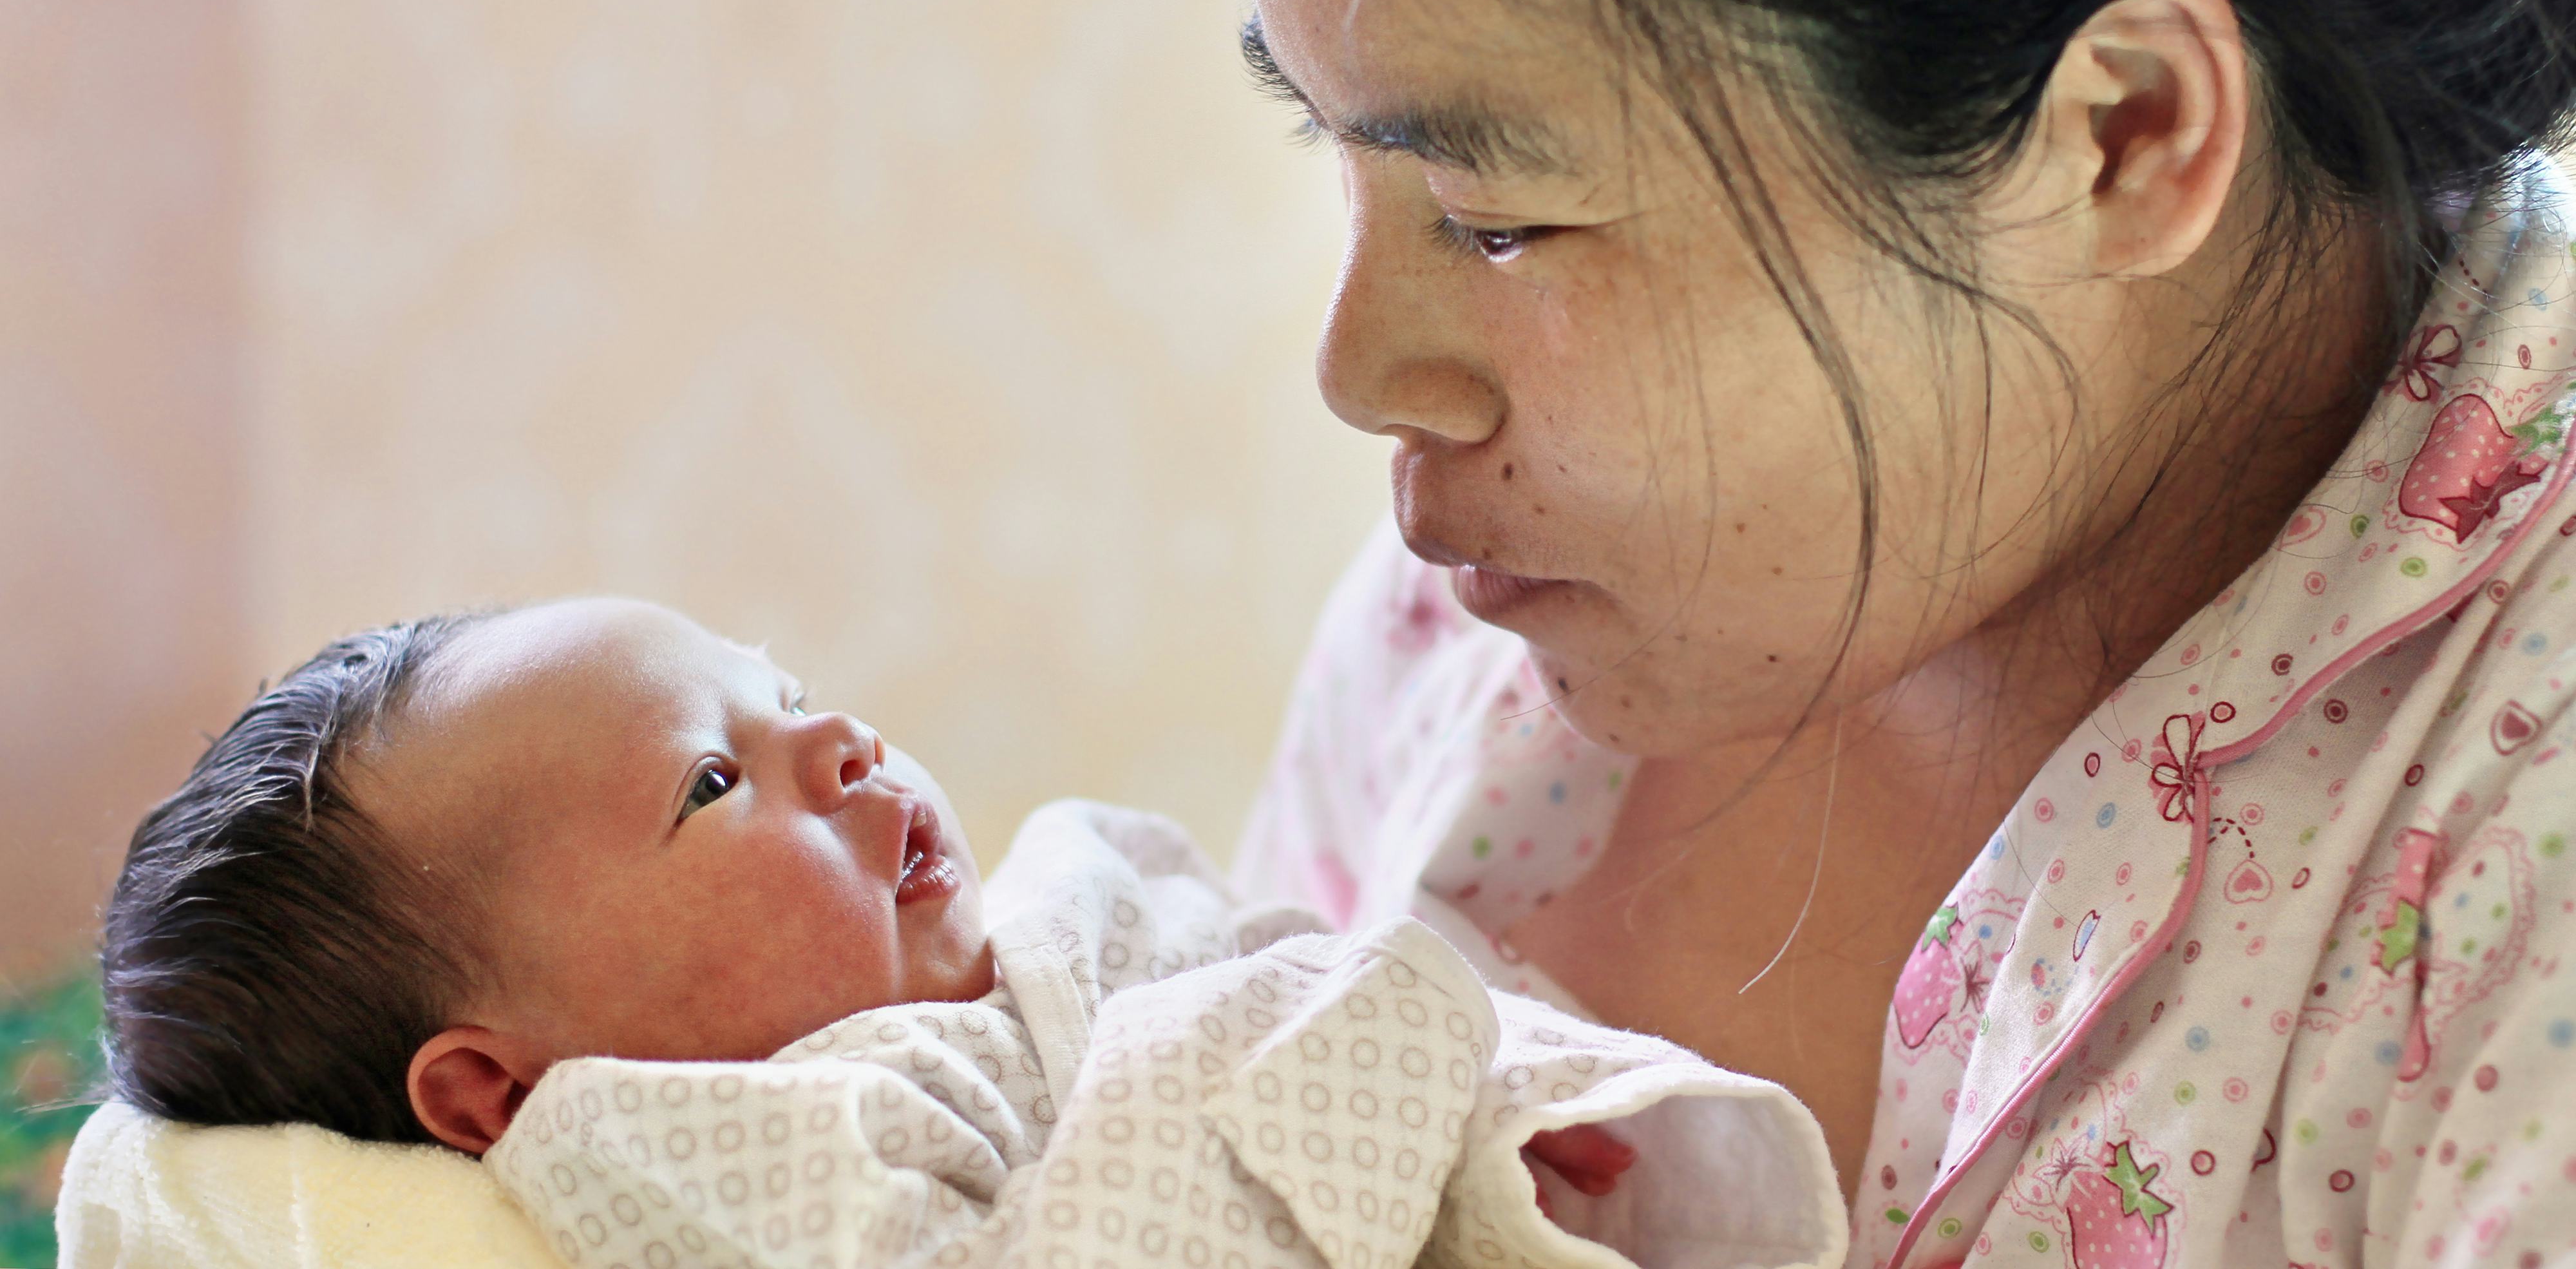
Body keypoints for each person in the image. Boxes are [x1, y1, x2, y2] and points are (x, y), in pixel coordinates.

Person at [1220, 0, 2576, 1264]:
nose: (1361, 371)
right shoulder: (1468, 635)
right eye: (1334, 148)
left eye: (1497, 219)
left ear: (2129, 129)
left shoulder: (2522, 814)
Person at [95, 599, 1846, 1269]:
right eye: (714, 784)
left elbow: (1262, 959)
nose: (836, 745)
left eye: (787, 692)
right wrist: (1352, 1027)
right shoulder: (705, 1139)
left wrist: (1519, 1122)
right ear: (497, 1089)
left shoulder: (1060, 912)